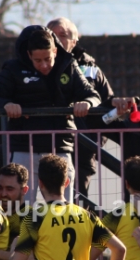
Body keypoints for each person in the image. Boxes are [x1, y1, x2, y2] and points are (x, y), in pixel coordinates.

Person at [0, 25, 101, 204]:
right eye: (38, 60)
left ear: (55, 51)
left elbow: (93, 95)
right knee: (21, 210)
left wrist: (87, 103)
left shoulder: (69, 64)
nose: (44, 65)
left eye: (48, 59)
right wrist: (7, 104)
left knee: (62, 209)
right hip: (23, 148)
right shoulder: (13, 68)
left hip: (60, 148)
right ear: (29, 55)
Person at [47, 17, 115, 199]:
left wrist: (94, 141)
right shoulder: (35, 65)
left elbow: (108, 105)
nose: (56, 39)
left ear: (74, 41)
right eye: (52, 35)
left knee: (77, 201)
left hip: (81, 149)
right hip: (41, 144)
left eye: (62, 35)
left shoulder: (91, 69)